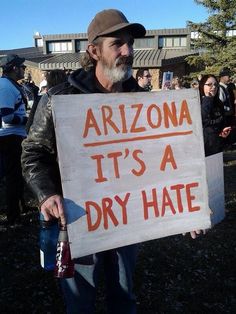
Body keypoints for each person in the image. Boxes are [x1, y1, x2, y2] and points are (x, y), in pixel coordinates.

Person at [21, 9, 203, 313]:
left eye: (130, 43)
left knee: (123, 298)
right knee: (80, 304)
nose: (128, 51)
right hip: (76, 221)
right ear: (94, 51)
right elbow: (32, 153)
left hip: (125, 221)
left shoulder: (140, 100)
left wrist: (186, 211)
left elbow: (159, 158)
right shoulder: (58, 98)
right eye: (117, 44)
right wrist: (47, 193)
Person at [0, 54, 28, 226]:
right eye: (22, 67)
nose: (24, 69)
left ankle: (19, 207)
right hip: (9, 138)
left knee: (17, 175)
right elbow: (7, 117)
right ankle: (13, 216)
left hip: (13, 136)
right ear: (14, 68)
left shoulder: (8, 85)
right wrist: (27, 120)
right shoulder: (5, 86)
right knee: (13, 176)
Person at [199, 74, 231, 156]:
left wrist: (223, 131)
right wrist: (207, 99)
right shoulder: (198, 102)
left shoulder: (218, 102)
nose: (213, 87)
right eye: (209, 84)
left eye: (216, 85)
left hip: (217, 144)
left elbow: (222, 120)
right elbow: (203, 121)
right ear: (202, 85)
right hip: (203, 146)